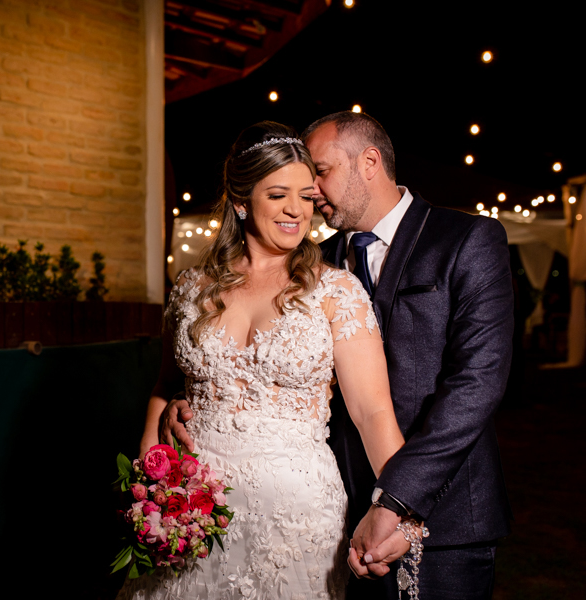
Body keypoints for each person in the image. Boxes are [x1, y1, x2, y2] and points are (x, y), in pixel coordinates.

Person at [163, 112, 514, 600]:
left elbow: (477, 383)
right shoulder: (312, 263)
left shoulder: (465, 240)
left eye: (317, 176)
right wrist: (185, 406)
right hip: (339, 510)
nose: (309, 197)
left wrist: (397, 502)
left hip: (445, 511)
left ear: (369, 162)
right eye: (291, 189)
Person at [121, 121, 411, 600]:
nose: (296, 210)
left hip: (295, 514)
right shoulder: (193, 287)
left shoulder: (335, 292)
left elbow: (373, 412)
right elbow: (164, 385)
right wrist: (148, 482)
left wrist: (400, 505)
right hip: (191, 504)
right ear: (241, 201)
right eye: (278, 195)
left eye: (305, 195)